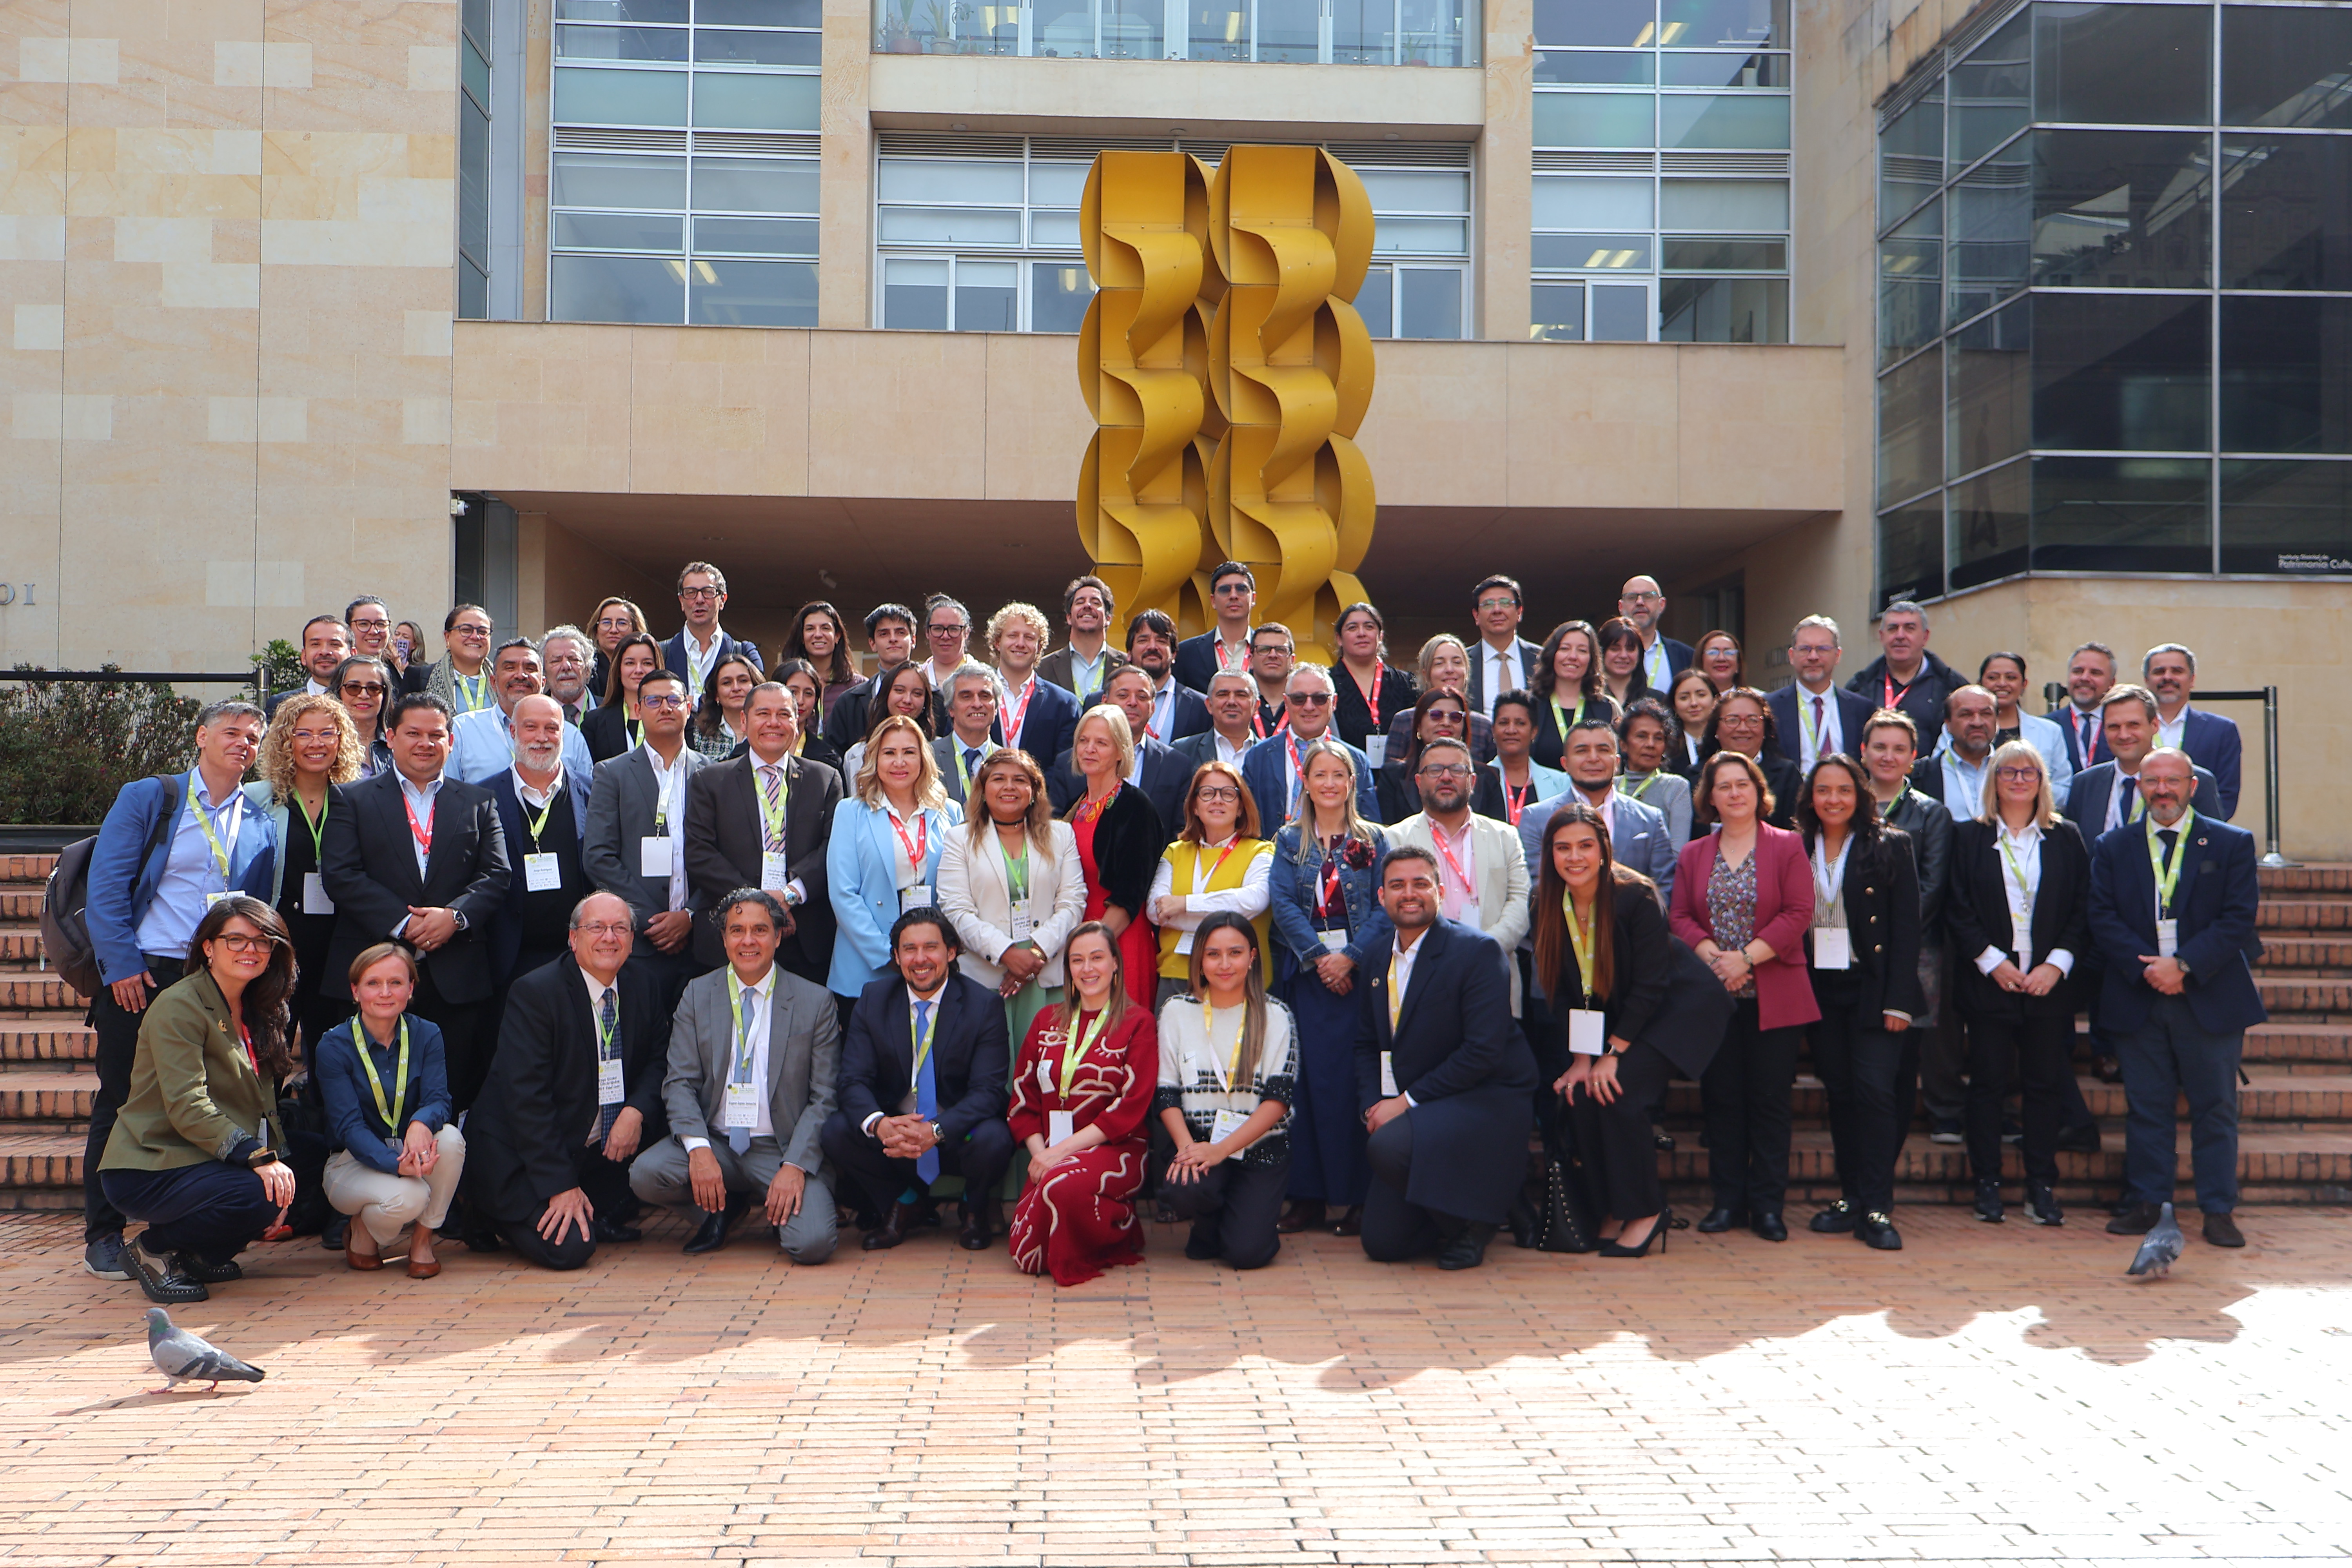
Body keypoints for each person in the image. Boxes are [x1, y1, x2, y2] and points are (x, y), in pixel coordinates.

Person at [82, 697, 274, 1286]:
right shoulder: (152, 796)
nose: (242, 742)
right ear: (200, 736)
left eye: (252, 736)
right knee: (120, 1096)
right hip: (144, 973)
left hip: (215, 978)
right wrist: (120, 966)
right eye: (230, 732)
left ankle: (187, 1235)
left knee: (211, 1095)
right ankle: (104, 1236)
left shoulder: (260, 818)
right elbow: (108, 886)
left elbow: (253, 911)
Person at [2090, 748, 2265, 1249]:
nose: (2162, 790)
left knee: (2215, 1108)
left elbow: (2237, 918)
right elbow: (2102, 917)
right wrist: (2151, 970)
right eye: (2152, 781)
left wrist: (2184, 965)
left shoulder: (2230, 843)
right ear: (2139, 787)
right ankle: (2148, 1202)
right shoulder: (2113, 846)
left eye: (2172, 781)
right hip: (2138, 994)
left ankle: (2217, 1209)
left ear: (2191, 785)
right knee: (2147, 1108)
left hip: (2208, 996)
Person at [97, 897, 298, 1304]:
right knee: (259, 1192)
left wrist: (281, 1162)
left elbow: (264, 1102)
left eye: (262, 942)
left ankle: (196, 1254)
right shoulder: (180, 1005)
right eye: (236, 940)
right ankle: (153, 1248)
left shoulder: (261, 1005)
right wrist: (259, 1159)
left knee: (304, 1169)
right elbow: (187, 1103)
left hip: (204, 1156)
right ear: (208, 947)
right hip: (151, 1161)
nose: (251, 950)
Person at [320, 691, 510, 1111]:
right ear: (391, 737)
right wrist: (404, 925)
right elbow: (341, 874)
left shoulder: (479, 801)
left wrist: (455, 917)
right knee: (369, 1096)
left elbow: (497, 874)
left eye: (436, 734)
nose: (426, 743)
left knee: (450, 1091)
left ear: (451, 741)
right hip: (374, 968)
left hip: (456, 976)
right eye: (414, 733)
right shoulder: (352, 798)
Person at [459, 892, 671, 1267]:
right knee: (572, 1248)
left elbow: (658, 1061)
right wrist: (560, 1186)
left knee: (618, 1210)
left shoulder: (645, 985)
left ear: (633, 939)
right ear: (573, 939)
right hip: (521, 1154)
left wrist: (635, 1111)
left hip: (590, 1148)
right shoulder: (536, 993)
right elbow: (527, 1101)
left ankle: (590, 1196)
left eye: (620, 928)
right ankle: (483, 1210)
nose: (609, 937)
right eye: (596, 928)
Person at [630, 889, 840, 1261]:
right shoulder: (697, 995)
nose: (748, 941)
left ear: (778, 937)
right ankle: (722, 1208)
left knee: (812, 1245)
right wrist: (699, 1151)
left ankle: (781, 1206)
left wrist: (794, 1167)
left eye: (760, 930)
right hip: (719, 1144)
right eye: (737, 930)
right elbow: (679, 1082)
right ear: (724, 939)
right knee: (646, 1174)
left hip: (780, 1148)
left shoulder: (815, 1001)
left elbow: (824, 1096)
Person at [1355, 845, 1534, 1270]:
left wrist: (1404, 1102)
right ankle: (1478, 1201)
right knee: (1383, 1244)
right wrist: (1372, 1103)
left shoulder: (1477, 952)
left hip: (1485, 1095)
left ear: (1440, 890)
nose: (1409, 893)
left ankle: (1471, 1223)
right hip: (1425, 1101)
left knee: (1388, 1147)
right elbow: (1367, 1042)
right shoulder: (1377, 956)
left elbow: (1483, 1052)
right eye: (1397, 885)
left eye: (1421, 884)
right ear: (1382, 897)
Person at [1671, 750, 1818, 1241]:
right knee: (1723, 1102)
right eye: (1724, 786)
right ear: (1709, 798)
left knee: (1771, 1102)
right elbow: (1679, 918)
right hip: (1717, 998)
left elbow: (1799, 912)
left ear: (1759, 791)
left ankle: (1768, 1207)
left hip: (1772, 992)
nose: (1735, 793)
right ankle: (1726, 1202)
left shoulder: (1788, 846)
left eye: (1743, 784)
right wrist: (1716, 957)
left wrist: (1746, 959)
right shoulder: (1695, 852)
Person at [1946, 739, 2091, 1227]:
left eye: (2029, 772)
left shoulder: (2066, 837)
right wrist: (1993, 962)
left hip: (2049, 984)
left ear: (2042, 781)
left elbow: (2081, 907)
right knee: (1987, 1084)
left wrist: (2057, 964)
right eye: (2009, 772)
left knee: (2044, 1085)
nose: (2019, 780)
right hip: (1992, 983)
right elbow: (1958, 907)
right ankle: (1987, 1183)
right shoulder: (1969, 837)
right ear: (1995, 780)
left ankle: (2040, 1184)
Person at [1532, 803, 1681, 1258]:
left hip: (1661, 1019)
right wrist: (1582, 1059)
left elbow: (1653, 985)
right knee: (1579, 1092)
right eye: (1563, 848)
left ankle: (1646, 1211)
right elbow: (1561, 990)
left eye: (1584, 846)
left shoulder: (1635, 896)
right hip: (1605, 1024)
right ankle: (1613, 1207)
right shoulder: (1546, 900)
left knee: (1616, 1092)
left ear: (1603, 850)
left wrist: (1612, 1054)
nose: (1573, 857)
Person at [821, 908, 1015, 1250]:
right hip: (895, 1136)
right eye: (909, 949)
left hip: (955, 1134)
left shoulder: (983, 1005)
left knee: (995, 1138)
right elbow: (852, 1080)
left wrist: (936, 1130)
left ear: (951, 952)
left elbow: (988, 1092)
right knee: (837, 1131)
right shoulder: (874, 1000)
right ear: (896, 956)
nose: (920, 959)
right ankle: (906, 1201)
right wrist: (879, 1124)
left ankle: (974, 1205)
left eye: (931, 948)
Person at [1265, 739, 1392, 1238]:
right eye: (1321, 775)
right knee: (1310, 1087)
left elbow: (1386, 906)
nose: (1330, 783)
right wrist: (1321, 959)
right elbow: (1283, 903)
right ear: (1307, 783)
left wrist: (1351, 957)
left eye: (1339, 774)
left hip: (1360, 981)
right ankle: (1310, 1197)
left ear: (1352, 783)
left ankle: (1362, 1197)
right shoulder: (1288, 839)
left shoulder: (1375, 839)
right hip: (1311, 980)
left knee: (1358, 1084)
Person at [1795, 755, 1923, 1250]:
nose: (1833, 800)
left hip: (1872, 987)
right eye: (1823, 790)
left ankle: (1876, 1205)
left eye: (1844, 790)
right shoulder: (1795, 845)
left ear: (1860, 794)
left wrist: (1899, 1001)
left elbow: (1908, 929)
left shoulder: (1891, 844)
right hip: (1818, 987)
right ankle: (1851, 1195)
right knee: (1841, 1094)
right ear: (1811, 797)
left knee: (1875, 1092)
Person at [1006, 922, 1159, 1285]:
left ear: (1116, 964)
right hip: (1052, 1153)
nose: (1087, 969)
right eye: (1077, 960)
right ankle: (1107, 1220)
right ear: (1068, 969)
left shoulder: (1139, 1022)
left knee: (1060, 1188)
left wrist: (1060, 1154)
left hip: (1116, 1148)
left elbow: (1130, 1106)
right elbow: (1022, 1099)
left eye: (1097, 958)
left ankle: (1117, 1225)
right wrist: (1042, 1152)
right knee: (1026, 1254)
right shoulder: (1046, 1021)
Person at [315, 944, 465, 1278]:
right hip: (350, 1161)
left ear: (411, 989)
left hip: (409, 1147)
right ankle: (363, 1230)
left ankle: (423, 1241)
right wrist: (401, 1168)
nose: (385, 993)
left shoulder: (427, 1034)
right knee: (410, 1195)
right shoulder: (334, 1045)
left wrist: (419, 1123)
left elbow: (440, 1100)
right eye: (373, 984)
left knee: (452, 1139)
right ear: (355, 991)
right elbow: (348, 1128)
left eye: (396, 983)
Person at [682, 680, 844, 985]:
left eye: (784, 714)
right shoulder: (711, 781)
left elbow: (833, 848)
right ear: (744, 721)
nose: (774, 723)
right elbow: (700, 853)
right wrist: (760, 904)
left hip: (804, 937)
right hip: (730, 936)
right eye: (763, 714)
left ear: (797, 723)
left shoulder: (825, 779)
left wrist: (790, 895)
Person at [1157, 915, 1296, 1269]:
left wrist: (1222, 1151)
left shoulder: (1276, 1015)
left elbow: (1278, 1101)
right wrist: (1190, 1150)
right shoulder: (1176, 1012)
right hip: (1199, 1141)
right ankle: (1211, 1219)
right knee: (1183, 1191)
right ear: (1199, 961)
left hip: (1259, 1148)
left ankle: (1239, 1219)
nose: (1224, 964)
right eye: (1213, 954)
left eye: (1235, 953)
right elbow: (1167, 1094)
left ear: (1252, 957)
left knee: (1247, 1255)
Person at [935, 748, 1090, 1044]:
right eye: (999, 779)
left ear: (1034, 791)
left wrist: (1035, 955)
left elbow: (1073, 902)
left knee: (1044, 1071)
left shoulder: (1062, 836)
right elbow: (956, 910)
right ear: (982, 789)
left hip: (1046, 976)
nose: (1009, 787)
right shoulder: (959, 839)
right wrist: (1007, 953)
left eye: (1020, 780)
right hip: (987, 977)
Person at [582, 667, 704, 1022]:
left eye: (673, 699)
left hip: (699, 942)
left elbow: (721, 854)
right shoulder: (612, 773)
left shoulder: (712, 773)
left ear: (689, 706)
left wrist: (689, 916)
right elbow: (598, 857)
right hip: (637, 944)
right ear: (637, 710)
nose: (664, 707)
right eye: (653, 700)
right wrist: (650, 920)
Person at [1859, 710, 1958, 1143]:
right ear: (1862, 752)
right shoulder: (1843, 802)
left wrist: (1892, 938)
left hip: (1916, 950)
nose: (1888, 756)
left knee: (1903, 1058)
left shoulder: (1931, 813)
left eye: (1899, 748)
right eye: (1879, 746)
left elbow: (1933, 886)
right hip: (1854, 949)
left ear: (1913, 758)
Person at [247, 693, 364, 1053]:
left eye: (327, 734)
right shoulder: (256, 799)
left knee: (333, 1052)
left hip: (340, 944)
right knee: (269, 1046)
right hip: (278, 941)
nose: (316, 743)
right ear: (285, 741)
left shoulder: (359, 799)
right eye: (303, 734)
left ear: (341, 740)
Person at [1387, 738, 1533, 1017]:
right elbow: (1392, 910)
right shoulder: (1395, 838)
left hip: (1492, 975)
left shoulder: (1505, 837)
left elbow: (1520, 901)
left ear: (1473, 780)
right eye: (1435, 770)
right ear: (1418, 781)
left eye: (1456, 769)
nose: (1445, 777)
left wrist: (1482, 952)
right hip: (1421, 977)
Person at [828, 713, 960, 1011]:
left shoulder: (950, 812)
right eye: (890, 753)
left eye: (909, 753)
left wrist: (927, 953)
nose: (899, 762)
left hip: (931, 964)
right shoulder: (850, 812)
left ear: (923, 759)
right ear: (875, 759)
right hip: (866, 966)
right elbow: (843, 894)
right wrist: (890, 954)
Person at [485, 693, 594, 985]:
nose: (542, 738)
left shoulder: (593, 793)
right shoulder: (482, 798)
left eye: (552, 728)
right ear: (513, 732)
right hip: (508, 960)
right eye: (531, 727)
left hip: (580, 957)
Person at [1063, 704, 1165, 1010]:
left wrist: (1093, 951)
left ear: (1121, 752)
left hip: (1118, 941)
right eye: (1084, 740)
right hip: (1078, 941)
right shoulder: (1075, 806)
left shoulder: (1135, 806)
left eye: (1101, 743)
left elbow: (1132, 893)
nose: (1089, 749)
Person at [1149, 761, 1274, 1002]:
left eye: (1228, 794)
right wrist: (1226, 918)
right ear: (1195, 806)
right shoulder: (1175, 852)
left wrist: (1184, 905)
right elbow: (1156, 912)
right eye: (1207, 793)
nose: (1217, 800)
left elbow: (1253, 901)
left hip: (1238, 978)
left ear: (1241, 808)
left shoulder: (1262, 852)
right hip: (1177, 975)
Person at [1522, 717, 1677, 897]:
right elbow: (1537, 889)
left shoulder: (1650, 819)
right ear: (1565, 764)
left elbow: (1664, 890)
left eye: (1603, 750)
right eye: (1582, 751)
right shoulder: (1536, 818)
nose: (1593, 758)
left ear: (1617, 762)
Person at [2065, 684, 2225, 836]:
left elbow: (2215, 846)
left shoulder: (2193, 780)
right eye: (2114, 727)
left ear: (2155, 725)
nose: (2124, 735)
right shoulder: (2085, 784)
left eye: (2133, 725)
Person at [1049, 665, 1192, 828]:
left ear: (1153, 708)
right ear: (1105, 702)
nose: (1132, 703)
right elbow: (1056, 827)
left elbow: (1181, 830)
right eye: (1123, 695)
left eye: (1142, 697)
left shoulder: (1176, 765)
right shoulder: (1070, 762)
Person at [1240, 666, 1380, 825]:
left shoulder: (1357, 761)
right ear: (1286, 703)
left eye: (1319, 698)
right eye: (1299, 699)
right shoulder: (1258, 756)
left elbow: (1369, 828)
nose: (1309, 706)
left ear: (1334, 702)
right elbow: (1246, 822)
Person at [447, 637, 594, 785]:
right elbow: (450, 794)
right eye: (510, 668)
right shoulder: (463, 730)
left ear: (543, 684)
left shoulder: (570, 735)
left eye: (530, 669)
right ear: (493, 682)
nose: (520, 675)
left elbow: (584, 795)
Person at [2145, 642, 2242, 819]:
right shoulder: (2129, 729)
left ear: (2192, 680)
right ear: (2146, 680)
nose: (2167, 677)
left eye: (2177, 671)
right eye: (2159, 672)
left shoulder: (2221, 731)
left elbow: (2226, 796)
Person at [1844, 599, 1963, 740]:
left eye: (1909, 628)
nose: (1900, 636)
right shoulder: (1859, 688)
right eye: (1893, 628)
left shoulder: (1953, 687)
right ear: (1882, 637)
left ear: (1925, 637)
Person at [1768, 616, 1875, 769]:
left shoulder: (1862, 709)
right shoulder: (1770, 707)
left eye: (1822, 649)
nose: (1813, 657)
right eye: (1805, 649)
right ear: (1792, 656)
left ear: (1837, 656)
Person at [1973, 652, 2075, 807]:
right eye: (1993, 678)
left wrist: (2024, 802)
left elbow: (2063, 786)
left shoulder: (2050, 731)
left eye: (2011, 678)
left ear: (2024, 685)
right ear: (1980, 684)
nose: (2002, 684)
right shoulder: (1960, 730)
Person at [987, 601, 1081, 766]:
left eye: (1029, 638)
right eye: (1013, 635)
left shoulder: (1063, 704)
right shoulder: (976, 695)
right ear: (997, 642)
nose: (1021, 643)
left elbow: (1065, 767)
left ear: (1039, 647)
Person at [1329, 601, 1417, 768]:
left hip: (1397, 781)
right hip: (1345, 777)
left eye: (1369, 627)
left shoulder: (1406, 683)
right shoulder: (1326, 683)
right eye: (1352, 628)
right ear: (1339, 639)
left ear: (1380, 636)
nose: (1362, 633)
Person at [1702, 687, 1803, 829]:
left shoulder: (1787, 774)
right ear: (1716, 729)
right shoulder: (1698, 775)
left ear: (1765, 729)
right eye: (1732, 720)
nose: (1743, 728)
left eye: (1753, 720)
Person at [823, 602, 916, 750]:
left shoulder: (936, 698)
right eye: (884, 634)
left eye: (900, 633)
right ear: (872, 644)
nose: (893, 639)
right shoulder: (848, 703)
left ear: (913, 640)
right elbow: (833, 757)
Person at [664, 561, 764, 697]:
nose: (699, 600)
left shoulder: (745, 653)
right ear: (682, 601)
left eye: (708, 592)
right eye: (691, 593)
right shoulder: (662, 653)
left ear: (723, 599)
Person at [1473, 691, 1569, 828]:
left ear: (1534, 732)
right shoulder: (1478, 781)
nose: (1511, 730)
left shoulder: (1560, 783)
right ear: (1493, 730)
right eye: (1504, 723)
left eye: (1520, 723)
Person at [1378, 687, 1474, 822]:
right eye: (1436, 715)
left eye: (1455, 717)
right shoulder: (1393, 776)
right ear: (1418, 725)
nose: (1446, 723)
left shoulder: (1487, 778)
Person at [1528, 620, 1612, 771]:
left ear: (1592, 659)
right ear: (1552, 654)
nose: (1573, 657)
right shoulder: (1530, 705)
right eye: (1565, 649)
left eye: (1582, 651)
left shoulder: (1607, 708)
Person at [1616, 699, 1694, 849]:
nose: (1651, 744)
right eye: (1642, 736)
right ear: (1624, 745)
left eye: (1658, 738)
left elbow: (1677, 854)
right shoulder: (1611, 786)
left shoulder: (1676, 787)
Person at [1038, 575, 1129, 704]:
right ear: (1069, 618)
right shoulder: (1044, 668)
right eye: (1080, 602)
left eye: (1096, 602)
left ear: (1108, 618)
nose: (1087, 605)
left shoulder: (1127, 665)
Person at [1125, 609, 1211, 742]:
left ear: (1174, 654)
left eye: (1161, 641)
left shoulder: (1200, 707)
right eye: (1143, 640)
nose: (1152, 647)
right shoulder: (1105, 701)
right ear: (1129, 653)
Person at [840, 662, 935, 781]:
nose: (907, 700)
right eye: (900, 691)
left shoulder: (938, 751)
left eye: (917, 694)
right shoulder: (856, 755)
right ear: (886, 695)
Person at [1173, 561, 1259, 691]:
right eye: (1225, 590)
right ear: (1213, 601)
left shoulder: (1269, 651)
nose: (1233, 596)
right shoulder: (1186, 653)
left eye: (1241, 589)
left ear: (1253, 598)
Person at [1465, 574, 1541, 719]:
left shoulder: (1543, 659)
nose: (1497, 610)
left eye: (1505, 603)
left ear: (1519, 612)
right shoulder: (1463, 663)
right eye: (1488, 604)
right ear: (1476, 616)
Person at [1915, 684, 1998, 815]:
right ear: (1948, 724)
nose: (1977, 723)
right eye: (1966, 715)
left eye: (1986, 714)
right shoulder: (1922, 775)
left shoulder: (2013, 772)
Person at [581, 630, 662, 762]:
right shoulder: (594, 722)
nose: (638, 670)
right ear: (618, 670)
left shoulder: (673, 716)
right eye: (630, 663)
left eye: (647, 663)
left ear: (657, 668)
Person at [934, 664, 1002, 807]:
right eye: (967, 697)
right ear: (951, 709)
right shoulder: (928, 756)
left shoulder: (1009, 762)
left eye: (985, 696)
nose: (977, 704)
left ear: (996, 708)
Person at [1171, 669, 1263, 770]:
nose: (1231, 702)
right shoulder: (1182, 751)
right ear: (1209, 705)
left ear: (1256, 706)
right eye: (1223, 695)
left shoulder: (1273, 753)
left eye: (1241, 695)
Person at [1615, 575, 1694, 692]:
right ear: (1621, 607)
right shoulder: (1604, 654)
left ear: (1662, 605)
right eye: (1632, 597)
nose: (1640, 602)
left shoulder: (1686, 656)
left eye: (1648, 596)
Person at [773, 658, 849, 777]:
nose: (800, 701)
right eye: (793, 692)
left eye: (808, 694)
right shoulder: (747, 751)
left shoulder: (828, 759)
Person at [264, 614, 350, 718]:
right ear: (304, 656)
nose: (324, 652)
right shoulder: (279, 705)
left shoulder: (366, 701)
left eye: (335, 644)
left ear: (353, 654)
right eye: (316, 645)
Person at [2050, 641, 2117, 772]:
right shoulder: (2047, 726)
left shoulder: (2122, 727)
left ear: (2112, 683)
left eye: (2095, 673)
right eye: (2078, 671)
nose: (2085, 678)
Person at [781, 600, 860, 710]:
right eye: (810, 629)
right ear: (802, 637)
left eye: (825, 628)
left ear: (837, 636)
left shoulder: (858, 686)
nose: (818, 635)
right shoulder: (783, 684)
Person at [328, 654, 397, 779]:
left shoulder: (398, 745)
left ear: (384, 695)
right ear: (338, 692)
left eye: (374, 688)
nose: (364, 695)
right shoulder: (325, 744)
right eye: (353, 688)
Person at [424, 604, 496, 717]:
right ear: (447, 637)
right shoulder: (421, 678)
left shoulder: (502, 682)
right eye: (466, 630)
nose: (475, 637)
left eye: (483, 632)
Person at [345, 596, 425, 696]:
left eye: (381, 624)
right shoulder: (340, 673)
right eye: (364, 624)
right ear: (349, 629)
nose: (374, 631)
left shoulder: (397, 671)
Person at [688, 653, 760, 761]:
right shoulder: (698, 735)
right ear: (716, 695)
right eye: (727, 683)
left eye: (743, 681)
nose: (736, 688)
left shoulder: (768, 729)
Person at [918, 594, 974, 713]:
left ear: (967, 633)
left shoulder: (986, 679)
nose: (945, 636)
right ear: (927, 633)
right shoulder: (917, 679)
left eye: (954, 629)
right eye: (938, 629)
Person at [586, 595, 648, 699]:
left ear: (636, 630)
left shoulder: (647, 667)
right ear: (596, 631)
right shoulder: (587, 670)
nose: (614, 630)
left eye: (622, 623)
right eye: (606, 623)